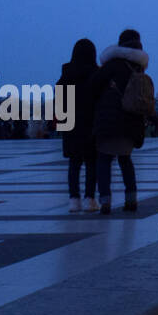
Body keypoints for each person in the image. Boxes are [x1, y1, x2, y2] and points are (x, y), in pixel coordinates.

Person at [90, 30, 151, 215]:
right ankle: (131, 199)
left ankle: (105, 201)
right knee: (126, 160)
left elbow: (92, 86)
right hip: (131, 121)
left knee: (104, 160)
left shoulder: (113, 65)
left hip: (109, 120)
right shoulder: (139, 68)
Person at [57, 39, 100, 213]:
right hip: (91, 124)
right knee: (91, 163)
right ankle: (90, 198)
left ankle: (73, 199)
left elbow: (59, 102)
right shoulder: (96, 74)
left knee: (74, 163)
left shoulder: (66, 74)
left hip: (71, 125)